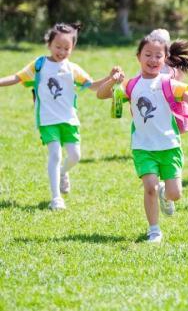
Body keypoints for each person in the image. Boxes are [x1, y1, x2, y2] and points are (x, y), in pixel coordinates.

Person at [96, 35, 188, 243]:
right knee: (149, 185)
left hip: (169, 145)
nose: (152, 60)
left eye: (158, 56)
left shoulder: (169, 83)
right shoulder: (131, 85)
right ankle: (154, 230)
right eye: (147, 55)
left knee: (175, 194)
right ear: (138, 57)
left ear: (165, 58)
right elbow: (101, 95)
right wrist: (112, 81)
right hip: (143, 146)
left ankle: (165, 193)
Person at [0, 23, 115, 210]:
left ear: (73, 48)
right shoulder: (39, 65)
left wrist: (110, 78)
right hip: (46, 119)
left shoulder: (73, 69)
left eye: (66, 48)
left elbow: (92, 85)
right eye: (58, 47)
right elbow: (17, 78)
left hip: (69, 119)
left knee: (75, 156)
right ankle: (56, 198)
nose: (61, 51)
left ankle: (62, 173)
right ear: (49, 44)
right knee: (55, 154)